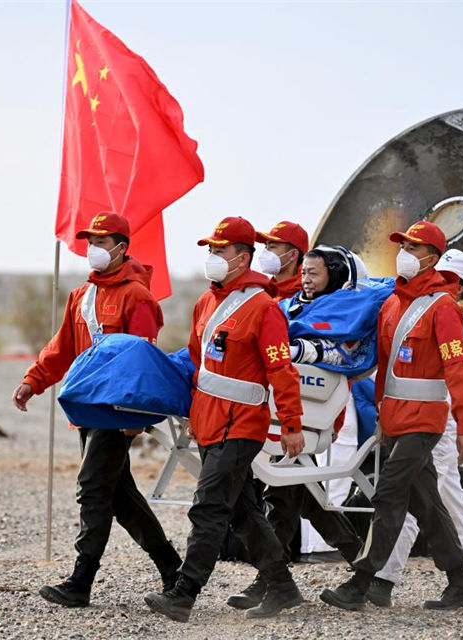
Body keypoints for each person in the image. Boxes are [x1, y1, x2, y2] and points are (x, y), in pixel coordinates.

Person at [12, 212, 181, 608]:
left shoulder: (138, 297)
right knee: (119, 494)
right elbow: (62, 347)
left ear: (122, 248)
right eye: (91, 242)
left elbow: (141, 362)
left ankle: (81, 580)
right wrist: (32, 381)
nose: (94, 250)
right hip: (86, 409)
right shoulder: (81, 295)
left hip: (116, 410)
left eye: (102, 243)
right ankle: (172, 567)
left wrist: (136, 419)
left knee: (92, 488)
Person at [144, 216, 305, 622]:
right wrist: (192, 415)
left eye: (221, 250)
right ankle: (282, 587)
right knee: (242, 512)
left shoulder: (265, 308)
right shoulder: (206, 301)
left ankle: (184, 593)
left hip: (243, 423)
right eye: (211, 250)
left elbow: (281, 370)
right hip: (210, 421)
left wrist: (291, 424)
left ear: (243, 257)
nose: (213, 257)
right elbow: (200, 363)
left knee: (209, 507)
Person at [320, 220, 463, 612]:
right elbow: (386, 365)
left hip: (425, 421)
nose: (405, 253)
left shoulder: (445, 310)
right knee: (425, 502)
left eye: (414, 247)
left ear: (433, 258)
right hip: (394, 419)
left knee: (390, 494)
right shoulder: (392, 303)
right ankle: (462, 582)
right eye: (403, 245)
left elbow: (460, 369)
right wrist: (380, 418)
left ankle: (360, 583)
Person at [226, 245, 367, 611]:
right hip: (286, 410)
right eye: (304, 273)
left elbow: (342, 359)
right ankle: (367, 570)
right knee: (305, 498)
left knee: (284, 495)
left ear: (335, 276)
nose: (305, 279)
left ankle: (273, 585)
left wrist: (294, 350)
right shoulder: (290, 306)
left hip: (310, 415)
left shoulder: (345, 314)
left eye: (314, 273)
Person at [367, 248, 463, 606]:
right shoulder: (428, 311)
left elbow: (460, 376)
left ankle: (384, 579)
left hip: (437, 420)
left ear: (455, 285)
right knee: (427, 496)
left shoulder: (453, 319)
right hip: (426, 418)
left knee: (431, 496)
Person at [255, 220, 309, 302]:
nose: (265, 252)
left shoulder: (308, 294)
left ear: (293, 255)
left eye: (272, 247)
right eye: (266, 246)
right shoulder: (265, 293)